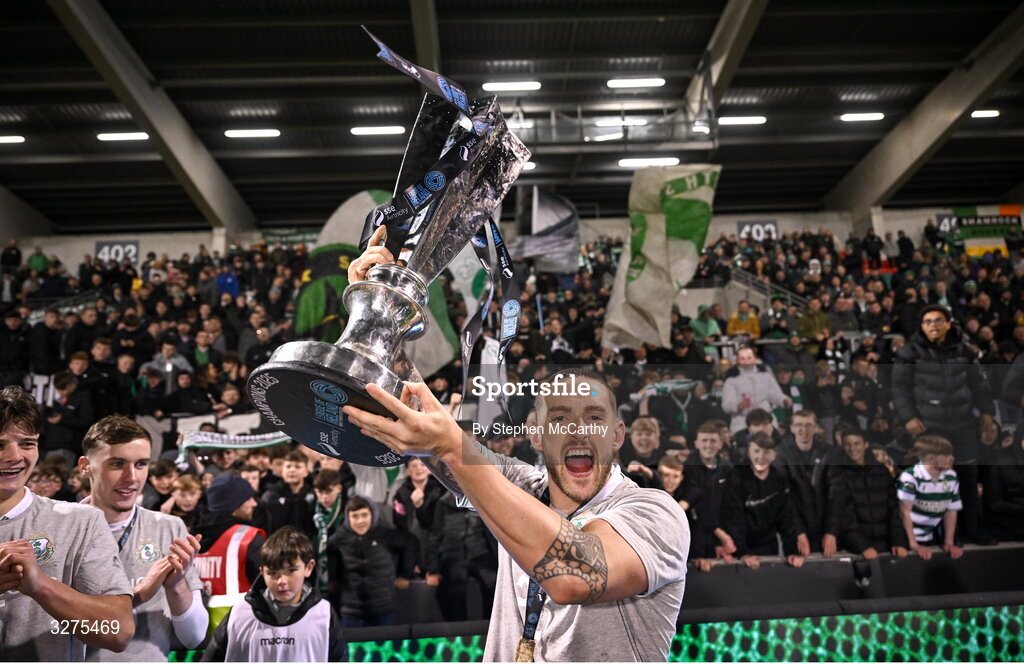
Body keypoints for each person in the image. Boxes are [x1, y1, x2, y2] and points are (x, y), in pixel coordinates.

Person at [345, 355, 688, 661]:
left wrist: (450, 444)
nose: (579, 432)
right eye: (559, 419)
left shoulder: (656, 512)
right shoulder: (522, 486)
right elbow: (422, 421)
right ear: (535, 436)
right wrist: (385, 308)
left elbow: (575, 576)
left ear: (616, 435)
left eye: (594, 418)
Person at [0, 387, 135, 660]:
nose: (15, 456)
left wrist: (41, 586)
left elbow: (117, 631)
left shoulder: (79, 522)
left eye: (27, 443)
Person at [76, 415, 207, 660]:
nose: (132, 477)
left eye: (141, 464)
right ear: (85, 466)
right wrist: (136, 597)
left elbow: (194, 637)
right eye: (117, 464)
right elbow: (52, 627)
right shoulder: (62, 530)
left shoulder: (169, 528)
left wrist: (177, 586)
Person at [892, 305, 997, 544]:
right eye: (927, 321)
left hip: (963, 424)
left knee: (968, 478)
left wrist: (987, 413)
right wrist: (908, 417)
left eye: (938, 320)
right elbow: (898, 388)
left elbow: (979, 386)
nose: (933, 325)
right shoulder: (910, 352)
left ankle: (972, 529)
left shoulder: (965, 351)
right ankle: (947, 535)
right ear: (922, 325)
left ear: (948, 323)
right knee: (936, 482)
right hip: (930, 427)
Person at [201, 526, 344, 662]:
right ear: (262, 572)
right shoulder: (239, 614)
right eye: (272, 573)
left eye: (291, 570)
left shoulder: (324, 615)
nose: (281, 581)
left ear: (309, 568)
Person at [326, 496, 416, 628]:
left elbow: (410, 543)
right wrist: (333, 579)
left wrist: (406, 574)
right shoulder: (339, 537)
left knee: (384, 648)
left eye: (364, 515)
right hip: (351, 611)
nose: (360, 521)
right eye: (355, 516)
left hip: (383, 609)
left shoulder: (385, 533)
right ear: (347, 518)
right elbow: (329, 552)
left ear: (372, 515)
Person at [720, 433, 805, 569]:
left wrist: (792, 551)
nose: (761, 456)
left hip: (768, 546)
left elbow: (787, 518)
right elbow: (734, 518)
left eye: (766, 452)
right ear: (749, 453)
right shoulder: (736, 477)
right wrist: (742, 553)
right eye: (756, 451)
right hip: (740, 547)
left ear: (774, 455)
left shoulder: (779, 478)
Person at [829, 428, 909, 559]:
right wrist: (862, 545)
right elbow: (844, 515)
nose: (852, 448)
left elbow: (893, 510)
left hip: (887, 547)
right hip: (857, 550)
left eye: (857, 443)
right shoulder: (837, 472)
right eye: (847, 444)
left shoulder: (881, 471)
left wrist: (898, 541)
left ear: (866, 445)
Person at [773, 410, 839, 556]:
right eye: (799, 425)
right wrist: (799, 532)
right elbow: (785, 498)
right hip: (795, 529)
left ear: (815, 427)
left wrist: (831, 531)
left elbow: (835, 494)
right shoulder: (781, 454)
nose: (804, 430)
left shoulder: (828, 452)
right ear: (791, 427)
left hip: (825, 528)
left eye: (809, 425)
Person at [194, 473, 266, 603]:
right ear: (234, 504)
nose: (254, 503)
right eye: (248, 498)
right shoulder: (249, 538)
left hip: (194, 622)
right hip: (240, 620)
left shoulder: (190, 539)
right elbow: (266, 586)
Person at [897, 435, 964, 560]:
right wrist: (914, 545)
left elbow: (951, 511)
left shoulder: (951, 476)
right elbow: (904, 512)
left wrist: (949, 543)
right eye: (947, 455)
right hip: (905, 539)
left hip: (930, 538)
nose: (952, 458)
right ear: (930, 458)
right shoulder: (910, 477)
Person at [721, 346, 791, 433]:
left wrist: (783, 400)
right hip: (742, 422)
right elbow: (726, 404)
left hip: (766, 420)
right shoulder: (731, 380)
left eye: (749, 358)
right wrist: (738, 406)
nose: (746, 361)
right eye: (742, 358)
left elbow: (775, 394)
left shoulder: (766, 375)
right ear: (737, 360)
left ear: (754, 359)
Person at [258, 450, 316, 540]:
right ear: (282, 471)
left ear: (306, 472)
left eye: (297, 467)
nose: (292, 470)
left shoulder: (314, 495)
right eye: (288, 466)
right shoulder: (270, 496)